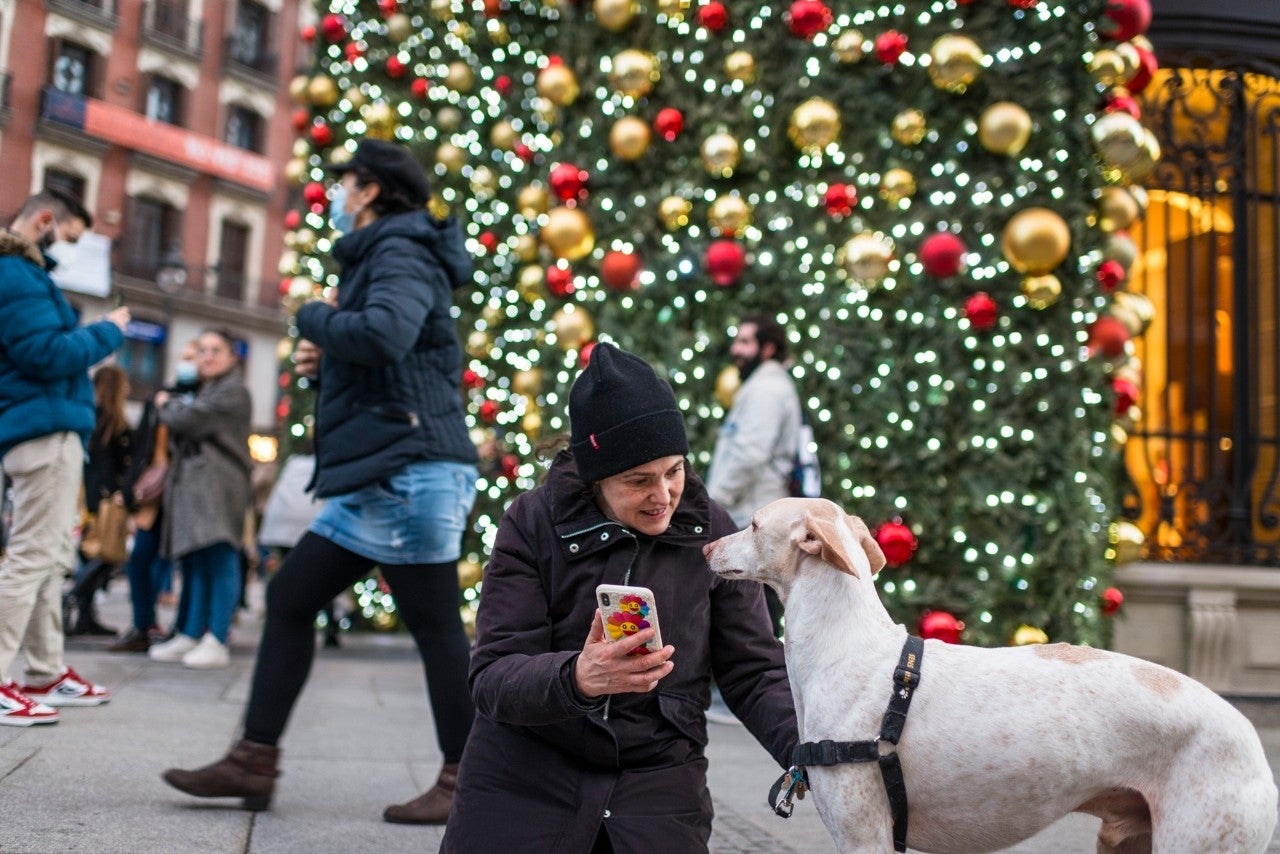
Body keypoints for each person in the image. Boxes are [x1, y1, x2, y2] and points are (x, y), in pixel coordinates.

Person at [162, 139, 479, 823]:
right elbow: (385, 349)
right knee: (294, 595)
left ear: (367, 191)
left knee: (431, 627)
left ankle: (469, 785)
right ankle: (253, 760)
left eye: (343, 182)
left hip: (408, 471)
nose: (335, 194)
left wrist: (313, 315)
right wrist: (323, 358)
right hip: (391, 470)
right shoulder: (392, 251)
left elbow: (386, 335)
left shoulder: (398, 249)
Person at [440, 343, 798, 852]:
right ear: (595, 477)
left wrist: (805, 749)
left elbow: (754, 670)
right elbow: (493, 676)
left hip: (656, 779)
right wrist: (577, 678)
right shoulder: (533, 523)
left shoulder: (711, 531)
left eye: (674, 470)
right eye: (639, 480)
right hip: (527, 772)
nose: (664, 496)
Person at [0, 189, 129, 726]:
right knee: (33, 555)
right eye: (73, 234)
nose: (72, 247)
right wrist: (107, 331)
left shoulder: (23, 275)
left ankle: (44, 669)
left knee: (50, 555)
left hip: (45, 426)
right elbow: (45, 354)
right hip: (43, 427)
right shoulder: (17, 275)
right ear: (47, 220)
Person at [145, 329, 252, 670]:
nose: (207, 356)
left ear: (232, 356)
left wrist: (167, 402)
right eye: (202, 350)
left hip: (219, 485)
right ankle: (191, 633)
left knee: (220, 555)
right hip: (196, 486)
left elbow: (187, 419)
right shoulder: (206, 389)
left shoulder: (234, 391)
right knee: (196, 562)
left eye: (215, 350)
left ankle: (216, 639)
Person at [705, 315, 802, 635]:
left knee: (756, 622)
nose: (736, 349)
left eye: (746, 342)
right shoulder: (761, 386)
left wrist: (714, 502)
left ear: (768, 348)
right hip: (748, 513)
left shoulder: (767, 390)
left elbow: (749, 454)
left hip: (752, 516)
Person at [109, 344, 199, 653]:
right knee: (140, 560)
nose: (189, 364)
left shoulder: (204, 400)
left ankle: (186, 628)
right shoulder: (159, 397)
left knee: (188, 563)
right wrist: (130, 487)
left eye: (193, 359)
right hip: (155, 496)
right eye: (185, 358)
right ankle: (143, 624)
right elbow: (142, 447)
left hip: (187, 493)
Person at [64, 365, 135, 637]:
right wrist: (116, 492)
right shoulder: (112, 421)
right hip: (106, 498)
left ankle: (84, 614)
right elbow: (109, 463)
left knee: (91, 554)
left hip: (88, 496)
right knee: (106, 554)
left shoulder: (89, 417)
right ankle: (71, 599)